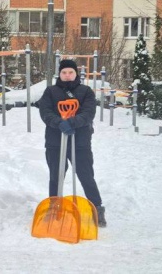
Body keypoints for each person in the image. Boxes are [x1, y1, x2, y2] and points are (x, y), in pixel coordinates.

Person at [38, 59, 106, 227]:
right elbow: (45, 111)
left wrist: (72, 122)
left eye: (70, 72)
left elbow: (89, 112)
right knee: (56, 176)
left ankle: (96, 208)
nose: (67, 76)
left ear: (76, 74)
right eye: (64, 73)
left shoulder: (85, 91)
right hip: (55, 142)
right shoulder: (50, 92)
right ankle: (54, 208)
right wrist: (59, 122)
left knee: (86, 175)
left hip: (80, 142)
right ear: (59, 74)